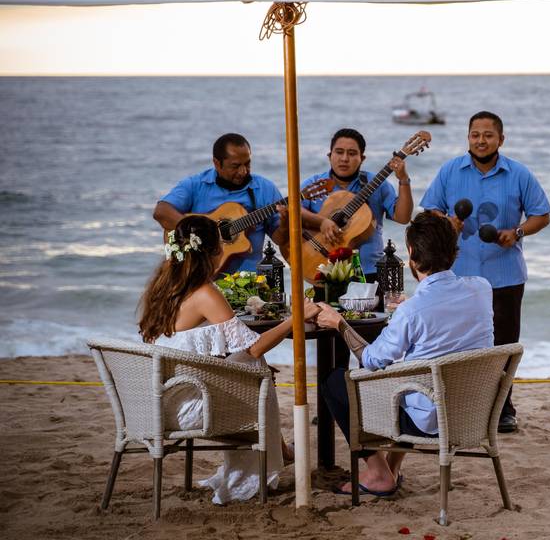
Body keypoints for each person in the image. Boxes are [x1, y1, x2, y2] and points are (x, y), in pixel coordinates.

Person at [138, 215, 321, 504]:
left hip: (161, 401)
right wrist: (297, 317)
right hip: (189, 410)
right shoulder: (205, 293)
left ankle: (277, 451)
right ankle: (261, 466)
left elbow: (214, 350)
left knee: (251, 368)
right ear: (213, 252)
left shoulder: (163, 289)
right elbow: (254, 349)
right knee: (257, 368)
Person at [313, 211, 494, 496]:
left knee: (335, 382)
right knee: (413, 379)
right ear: (454, 252)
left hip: (430, 422)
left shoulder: (413, 311)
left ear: (412, 255)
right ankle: (392, 468)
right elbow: (447, 316)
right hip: (474, 410)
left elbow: (372, 360)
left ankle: (378, 473)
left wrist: (339, 323)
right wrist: (412, 309)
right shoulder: (482, 289)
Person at [419, 111, 550, 433]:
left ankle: (504, 409)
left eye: (488, 135)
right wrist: (444, 222)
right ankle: (458, 407)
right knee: (457, 344)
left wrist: (517, 232)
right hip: (458, 275)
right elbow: (430, 209)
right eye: (475, 134)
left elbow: (541, 215)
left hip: (504, 275)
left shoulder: (519, 173)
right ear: (468, 138)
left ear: (501, 139)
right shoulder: (450, 170)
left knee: (503, 345)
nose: (481, 140)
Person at [153, 133, 286, 274]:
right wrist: (201, 233)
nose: (243, 171)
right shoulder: (196, 185)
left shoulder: (265, 188)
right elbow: (161, 212)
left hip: (249, 284)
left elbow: (279, 239)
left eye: (247, 164)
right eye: (235, 166)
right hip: (200, 279)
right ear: (217, 163)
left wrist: (285, 222)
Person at [299, 128, 413, 284]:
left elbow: (403, 217)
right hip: (325, 271)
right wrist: (322, 222)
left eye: (352, 153)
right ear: (329, 156)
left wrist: (403, 179)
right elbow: (293, 210)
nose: (344, 158)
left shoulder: (377, 184)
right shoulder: (314, 185)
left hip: (370, 273)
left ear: (362, 158)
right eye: (339, 152)